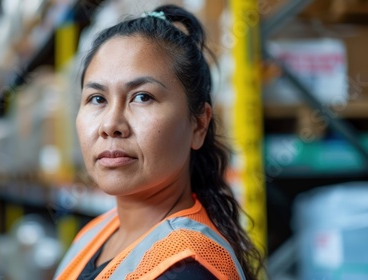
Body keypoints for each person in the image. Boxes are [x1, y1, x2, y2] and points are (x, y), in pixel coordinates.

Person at [55, 4, 263, 280]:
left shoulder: (185, 269)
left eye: (142, 97)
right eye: (98, 99)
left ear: (199, 124)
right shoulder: (96, 232)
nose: (110, 125)